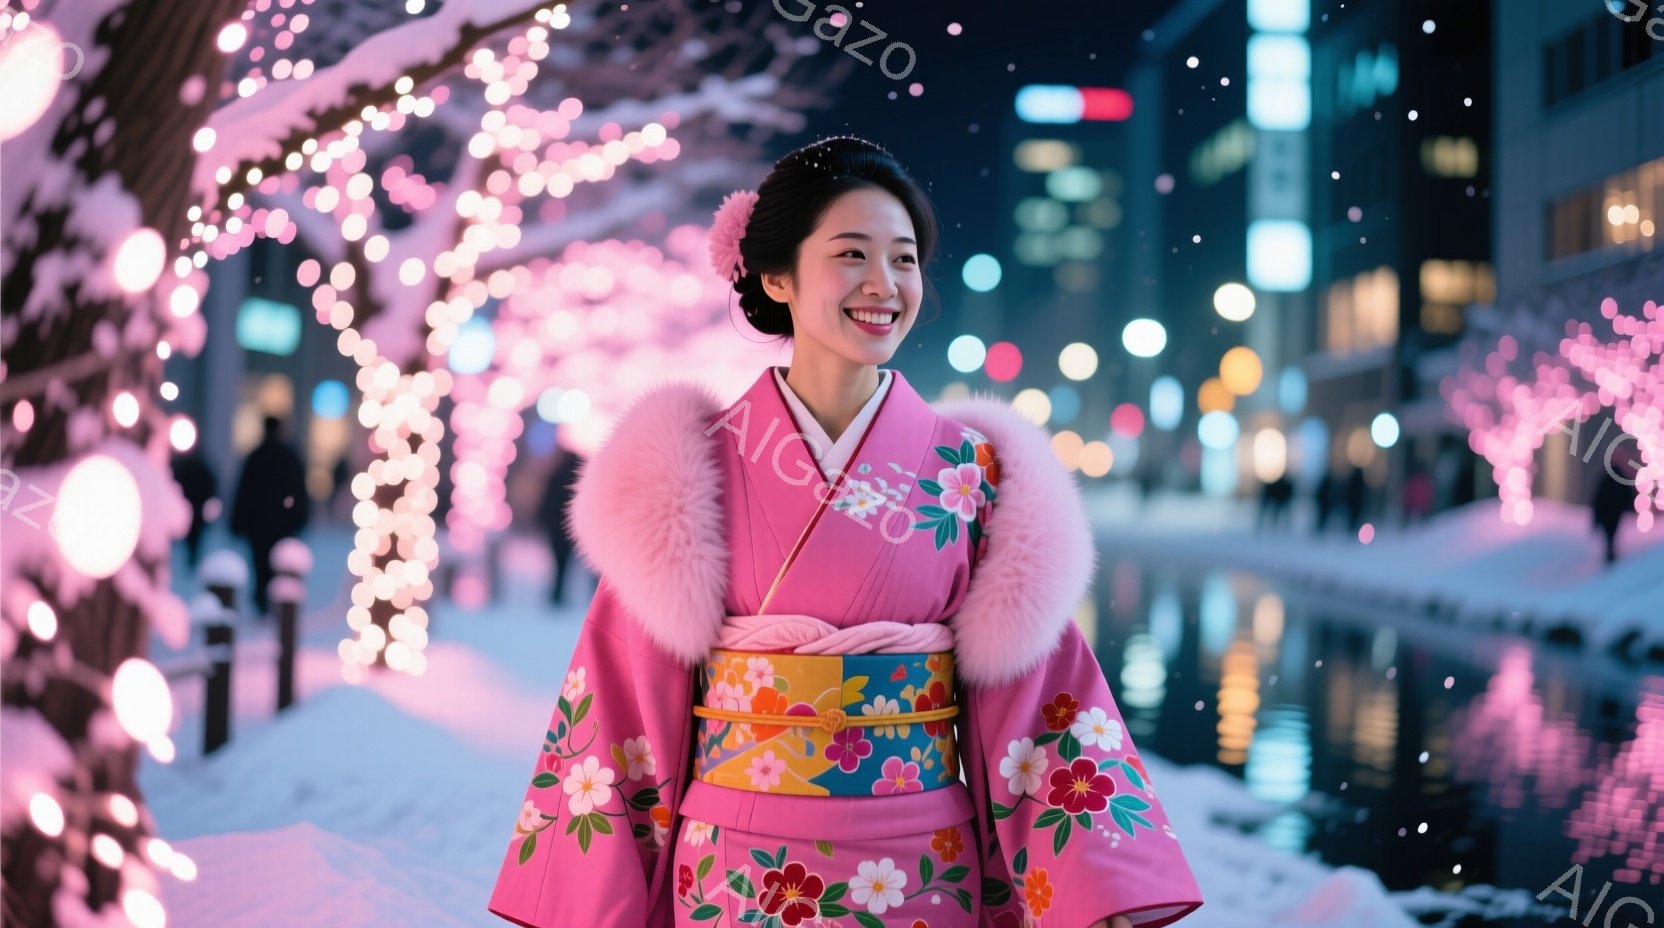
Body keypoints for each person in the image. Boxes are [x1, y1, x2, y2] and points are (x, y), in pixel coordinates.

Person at [486, 137, 1203, 928]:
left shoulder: (973, 473)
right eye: (852, 253)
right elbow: (627, 694)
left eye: (904, 260)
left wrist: (1100, 885)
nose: (884, 284)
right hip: (736, 871)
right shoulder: (691, 465)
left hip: (918, 869)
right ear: (776, 275)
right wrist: (582, 892)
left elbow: (1037, 699)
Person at [230, 415, 311, 615]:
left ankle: (262, 600)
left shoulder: (256, 457)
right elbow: (298, 491)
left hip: (258, 524)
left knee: (260, 564)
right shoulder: (289, 458)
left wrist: (238, 521)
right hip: (283, 523)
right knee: (281, 565)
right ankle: (278, 603)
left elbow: (244, 491)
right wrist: (299, 517)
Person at [536, 444, 586, 605]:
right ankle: (561, 596)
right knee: (567, 566)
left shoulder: (556, 476)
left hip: (556, 531)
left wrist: (543, 521)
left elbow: (546, 503)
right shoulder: (579, 481)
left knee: (558, 565)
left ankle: (556, 595)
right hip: (572, 531)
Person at [1591, 441, 1640, 564]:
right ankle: (1610, 553)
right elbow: (1628, 495)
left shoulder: (1606, 478)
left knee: (1609, 535)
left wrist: (1596, 518)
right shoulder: (1620, 478)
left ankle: (1610, 553)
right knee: (1612, 534)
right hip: (1615, 513)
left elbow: (1598, 499)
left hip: (1608, 514)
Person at [169, 448, 218, 568]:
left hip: (193, 509)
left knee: (191, 538)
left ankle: (189, 562)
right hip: (192, 509)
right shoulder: (199, 469)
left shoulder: (182, 468)